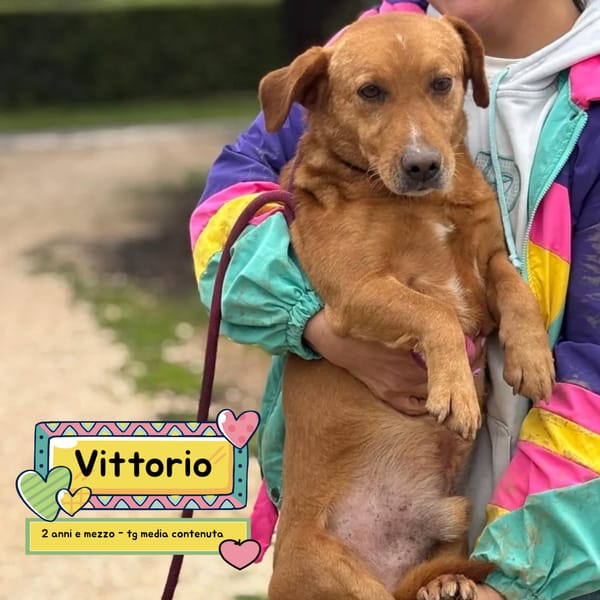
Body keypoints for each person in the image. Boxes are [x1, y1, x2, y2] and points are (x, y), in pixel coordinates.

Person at [189, 0, 600, 598]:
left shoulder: (583, 105)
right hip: (362, 528)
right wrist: (316, 325)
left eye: (441, 87)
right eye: (373, 94)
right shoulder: (362, 50)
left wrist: (517, 580)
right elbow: (220, 224)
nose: (418, 146)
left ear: (467, 80)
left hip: (542, 545)